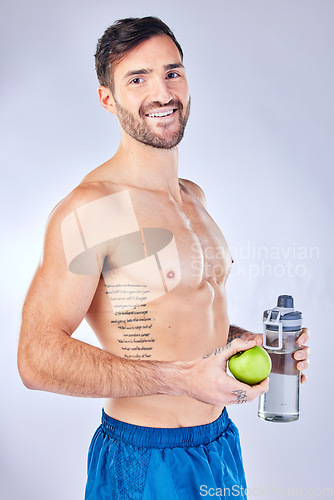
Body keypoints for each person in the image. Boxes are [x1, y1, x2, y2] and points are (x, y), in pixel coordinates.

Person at [17, 16, 310, 500]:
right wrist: (179, 380)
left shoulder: (194, 197)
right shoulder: (90, 209)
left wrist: (253, 343)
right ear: (107, 98)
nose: (162, 92)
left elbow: (178, 320)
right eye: (138, 79)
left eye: (172, 72)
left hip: (217, 443)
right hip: (146, 455)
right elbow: (35, 358)